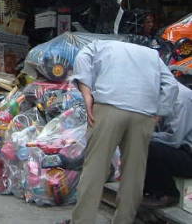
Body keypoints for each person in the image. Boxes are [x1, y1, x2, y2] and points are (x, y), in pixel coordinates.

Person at [64, 39, 179, 224]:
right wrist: (159, 113)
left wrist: (87, 93)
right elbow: (171, 86)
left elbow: (82, 59)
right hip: (143, 113)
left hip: (109, 106)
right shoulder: (152, 55)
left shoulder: (98, 45)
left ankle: (83, 220)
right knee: (134, 173)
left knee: (95, 168)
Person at [142, 82, 192, 208]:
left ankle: (168, 193)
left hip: (187, 152)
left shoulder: (182, 99)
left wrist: (145, 134)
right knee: (138, 144)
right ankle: (148, 189)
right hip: (178, 149)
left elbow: (174, 140)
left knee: (149, 147)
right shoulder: (160, 97)